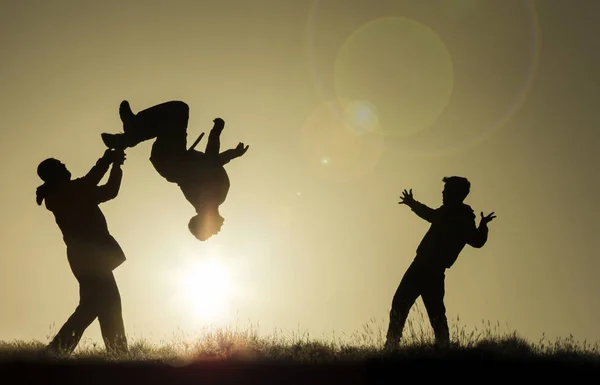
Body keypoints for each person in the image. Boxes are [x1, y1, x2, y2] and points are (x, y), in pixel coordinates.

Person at [100, 100, 249, 241]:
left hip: (171, 159)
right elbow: (212, 163)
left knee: (178, 111)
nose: (218, 231)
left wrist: (217, 133)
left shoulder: (209, 199)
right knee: (170, 120)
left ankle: (130, 134)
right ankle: (128, 137)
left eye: (211, 232)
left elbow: (210, 162)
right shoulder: (212, 199)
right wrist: (229, 149)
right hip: (172, 158)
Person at [384, 176, 496, 349]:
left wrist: (483, 226)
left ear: (457, 193)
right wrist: (412, 203)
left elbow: (476, 241)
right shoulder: (445, 212)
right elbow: (429, 214)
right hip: (420, 265)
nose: (443, 193)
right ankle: (392, 345)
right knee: (401, 303)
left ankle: (442, 348)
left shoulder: (463, 218)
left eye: (447, 190)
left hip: (433, 271)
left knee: (434, 312)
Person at [36, 148, 128, 355]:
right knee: (102, 304)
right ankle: (59, 350)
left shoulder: (69, 192)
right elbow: (92, 179)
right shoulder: (64, 193)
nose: (65, 167)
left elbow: (110, 191)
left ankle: (115, 353)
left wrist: (115, 165)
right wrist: (108, 159)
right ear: (53, 175)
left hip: (88, 257)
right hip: (89, 258)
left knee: (99, 304)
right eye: (60, 167)